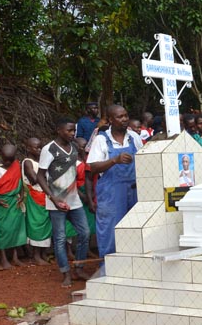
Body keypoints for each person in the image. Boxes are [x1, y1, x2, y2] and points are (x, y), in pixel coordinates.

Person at [36, 118, 91, 286]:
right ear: (59, 130)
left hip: (74, 200)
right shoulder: (49, 149)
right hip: (56, 202)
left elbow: (74, 171)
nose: (72, 133)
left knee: (85, 233)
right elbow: (40, 176)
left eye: (74, 130)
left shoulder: (74, 146)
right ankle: (65, 272)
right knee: (60, 239)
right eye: (69, 130)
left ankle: (79, 268)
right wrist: (53, 198)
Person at [87, 104, 143, 261]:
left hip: (134, 191)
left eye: (126, 115)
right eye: (120, 117)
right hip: (111, 193)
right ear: (110, 120)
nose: (125, 119)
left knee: (134, 230)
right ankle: (108, 269)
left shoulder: (135, 138)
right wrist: (114, 160)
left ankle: (133, 266)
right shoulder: (101, 140)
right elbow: (92, 167)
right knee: (110, 232)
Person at [0, 144, 27, 269]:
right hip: (1, 202)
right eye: (5, 159)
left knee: (16, 228)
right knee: (3, 230)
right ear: (0, 155)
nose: (8, 162)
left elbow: (19, 182)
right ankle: (4, 258)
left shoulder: (17, 165)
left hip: (15, 201)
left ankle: (15, 257)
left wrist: (21, 195)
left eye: (10, 159)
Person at [22, 137, 51, 265]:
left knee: (46, 224)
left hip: (46, 195)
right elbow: (34, 179)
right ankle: (36, 255)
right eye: (36, 147)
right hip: (35, 196)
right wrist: (45, 175)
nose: (39, 150)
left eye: (40, 147)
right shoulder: (27, 162)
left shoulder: (41, 162)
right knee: (36, 224)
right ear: (28, 148)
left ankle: (43, 253)